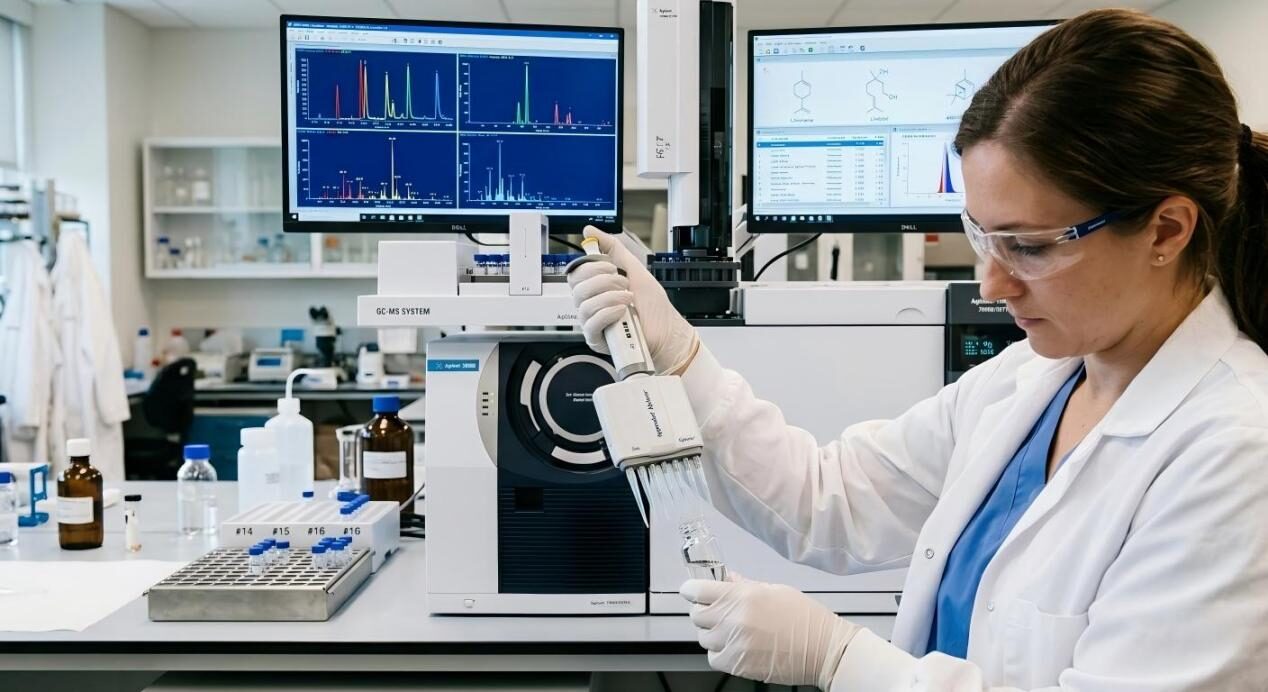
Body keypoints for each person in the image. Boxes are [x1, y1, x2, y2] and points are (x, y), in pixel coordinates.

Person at [567, 9, 1268, 690]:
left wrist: (841, 661)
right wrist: (680, 353)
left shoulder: (1235, 455)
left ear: (1167, 231)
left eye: (1026, 246)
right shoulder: (1034, 377)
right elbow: (828, 501)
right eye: (982, 235)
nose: (991, 285)